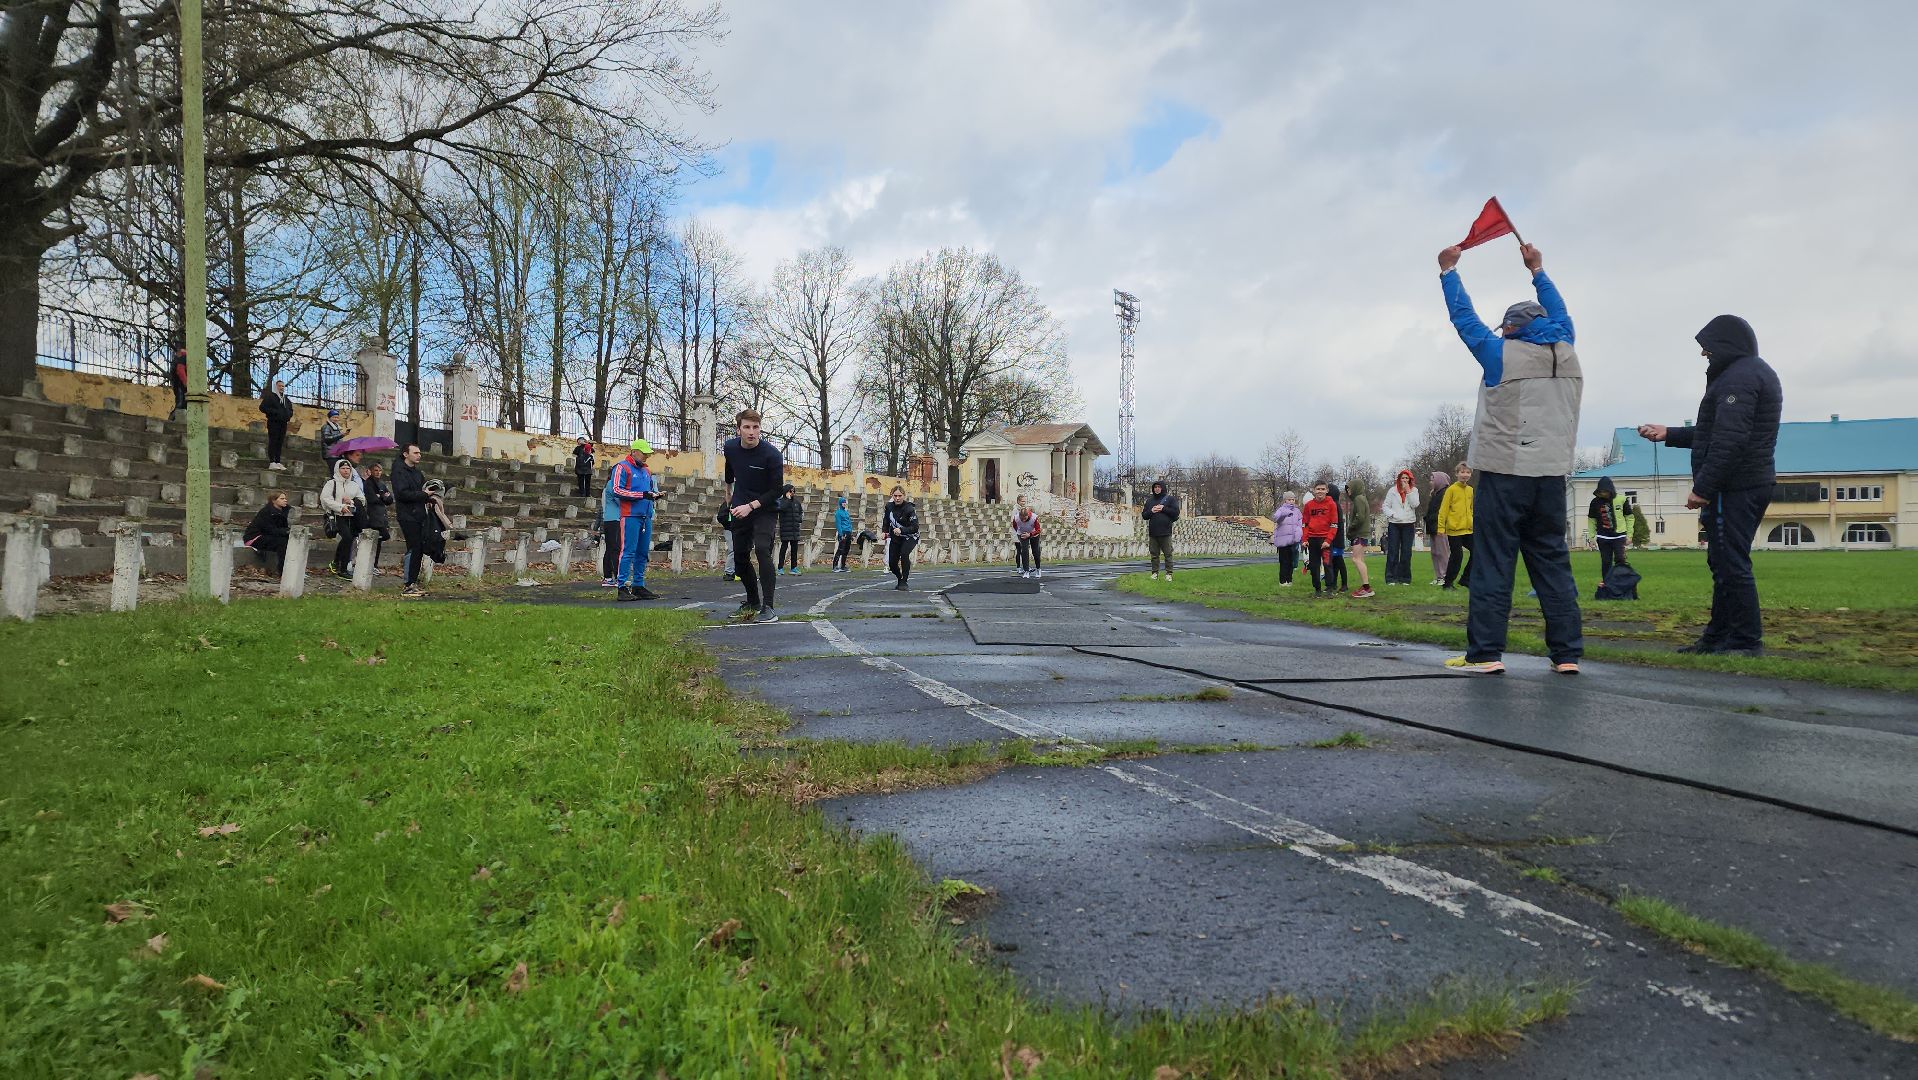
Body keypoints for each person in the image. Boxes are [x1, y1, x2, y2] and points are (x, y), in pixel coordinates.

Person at [1436, 240, 1584, 675]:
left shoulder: (1500, 353)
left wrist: (1448, 273)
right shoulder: (1568, 348)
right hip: (1552, 476)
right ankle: (1567, 655)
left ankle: (1485, 654)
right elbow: (1561, 314)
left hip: (1504, 473)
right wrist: (1538, 270)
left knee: (1493, 564)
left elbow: (1464, 320)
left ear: (1511, 330)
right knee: (1553, 565)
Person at [1636, 315, 1783, 656]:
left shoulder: (1739, 379)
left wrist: (1703, 487)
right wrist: (1669, 434)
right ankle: (1717, 638)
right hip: (1745, 482)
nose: (1704, 355)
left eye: (1707, 348)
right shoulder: (1747, 374)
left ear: (1725, 344)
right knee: (1723, 563)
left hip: (1736, 486)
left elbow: (1730, 441)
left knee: (1731, 563)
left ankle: (1746, 641)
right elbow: (1716, 434)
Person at [723, 409, 784, 622]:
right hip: (740, 506)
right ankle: (752, 601)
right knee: (739, 556)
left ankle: (769, 607)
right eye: (747, 427)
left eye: (755, 427)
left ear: (760, 429)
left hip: (765, 507)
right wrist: (728, 494)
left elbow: (777, 490)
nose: (751, 432)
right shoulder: (730, 447)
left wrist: (751, 506)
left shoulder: (772, 455)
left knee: (762, 549)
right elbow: (729, 471)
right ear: (738, 429)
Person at [610, 439, 661, 601]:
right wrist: (641, 495)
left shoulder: (647, 471)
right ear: (634, 452)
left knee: (642, 552)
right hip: (630, 515)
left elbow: (649, 490)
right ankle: (622, 586)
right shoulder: (622, 467)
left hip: (646, 515)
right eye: (644, 453)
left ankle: (638, 584)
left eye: (647, 453)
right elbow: (616, 490)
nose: (646, 456)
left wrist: (654, 495)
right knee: (628, 551)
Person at [390, 443, 435, 597]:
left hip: (419, 514)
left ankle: (413, 582)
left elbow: (422, 490)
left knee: (419, 548)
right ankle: (409, 584)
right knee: (414, 547)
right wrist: (424, 495)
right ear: (405, 454)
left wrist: (429, 497)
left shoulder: (417, 473)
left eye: (419, 452)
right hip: (407, 515)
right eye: (415, 452)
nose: (419, 455)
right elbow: (402, 494)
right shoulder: (398, 471)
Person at [320, 458, 365, 577]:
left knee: (348, 539)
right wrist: (340, 506)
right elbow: (325, 499)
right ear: (337, 470)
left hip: (350, 516)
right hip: (337, 516)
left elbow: (362, 499)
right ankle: (342, 568)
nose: (346, 471)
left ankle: (336, 563)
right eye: (343, 468)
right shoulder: (332, 483)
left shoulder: (354, 485)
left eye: (348, 468)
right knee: (347, 537)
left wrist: (351, 501)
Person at [1586, 476, 1634, 584]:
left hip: (1619, 536)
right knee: (1606, 562)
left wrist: (1629, 535)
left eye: (1605, 491)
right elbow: (1591, 520)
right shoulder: (1594, 502)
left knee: (1620, 560)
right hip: (1603, 537)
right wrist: (1592, 537)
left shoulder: (1622, 499)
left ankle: (1622, 583)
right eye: (1601, 491)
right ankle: (1608, 585)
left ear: (1610, 489)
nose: (1604, 494)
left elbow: (1629, 517)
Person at [1438, 463, 1475, 590]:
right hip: (1454, 530)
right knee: (1457, 556)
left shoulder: (1470, 490)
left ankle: (1466, 579)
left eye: (1468, 472)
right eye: (1462, 472)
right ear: (1457, 474)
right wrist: (1441, 528)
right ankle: (1447, 584)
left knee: (1477, 552)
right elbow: (1443, 509)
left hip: (1468, 529)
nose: (1465, 475)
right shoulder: (1451, 490)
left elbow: (1471, 509)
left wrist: (1472, 522)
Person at [1381, 469, 1419, 585]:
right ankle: (1391, 577)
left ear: (1410, 480)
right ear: (1399, 479)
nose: (1404, 480)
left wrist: (1409, 492)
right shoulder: (1392, 491)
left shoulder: (1414, 490)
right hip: (1395, 524)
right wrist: (1392, 514)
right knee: (1393, 551)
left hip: (1408, 523)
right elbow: (1385, 506)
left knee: (1406, 552)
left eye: (1407, 478)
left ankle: (1405, 578)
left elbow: (1415, 504)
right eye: (1403, 478)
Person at [1301, 482, 1338, 596]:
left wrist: (1328, 540)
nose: (1320, 491)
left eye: (1322, 489)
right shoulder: (1308, 505)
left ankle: (1329, 588)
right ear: (1314, 490)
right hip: (1312, 539)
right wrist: (1304, 539)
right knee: (1314, 566)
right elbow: (1305, 524)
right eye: (1318, 489)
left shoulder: (1331, 504)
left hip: (1325, 539)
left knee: (1327, 564)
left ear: (1327, 490)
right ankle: (1317, 589)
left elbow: (1334, 524)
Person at [1141, 480, 1180, 580]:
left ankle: (1169, 574)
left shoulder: (1170, 499)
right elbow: (1144, 515)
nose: (1157, 489)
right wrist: (1151, 511)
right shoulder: (1150, 501)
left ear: (1162, 488)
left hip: (1165, 531)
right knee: (1154, 554)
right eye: (1155, 487)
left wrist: (1163, 508)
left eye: (1159, 487)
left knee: (1168, 554)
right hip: (1153, 532)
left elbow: (1175, 513)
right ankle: (1155, 573)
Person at [243, 491, 291, 573]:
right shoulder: (266, 512)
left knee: (290, 541)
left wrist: (287, 532)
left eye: (285, 499)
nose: (285, 500)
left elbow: (281, 528)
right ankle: (283, 571)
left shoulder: (284, 511)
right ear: (273, 500)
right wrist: (287, 531)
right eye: (282, 499)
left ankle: (291, 569)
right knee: (283, 543)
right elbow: (269, 530)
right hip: (255, 537)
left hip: (270, 536)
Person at [882, 485, 919, 590]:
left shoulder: (909, 508)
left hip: (910, 536)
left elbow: (915, 527)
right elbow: (886, 520)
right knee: (892, 564)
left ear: (904, 496)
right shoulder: (889, 507)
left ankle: (904, 581)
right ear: (892, 496)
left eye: (900, 496)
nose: (897, 498)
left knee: (904, 554)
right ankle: (900, 578)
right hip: (896, 537)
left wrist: (902, 530)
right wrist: (884, 531)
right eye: (895, 496)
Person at [362, 461, 394, 574]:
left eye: (380, 470)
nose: (378, 472)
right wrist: (382, 496)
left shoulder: (381, 483)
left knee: (381, 538)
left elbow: (390, 499)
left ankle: (373, 564)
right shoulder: (368, 483)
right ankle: (370, 564)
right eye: (376, 470)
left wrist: (382, 496)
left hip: (381, 515)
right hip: (372, 515)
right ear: (371, 471)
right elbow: (372, 499)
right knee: (380, 536)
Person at [1346, 481, 1375, 598]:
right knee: (1360, 559)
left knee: (1356, 559)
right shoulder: (1361, 499)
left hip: (1359, 533)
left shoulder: (1358, 499)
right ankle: (1365, 586)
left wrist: (1351, 528)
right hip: (1362, 533)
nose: (1348, 492)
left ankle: (1367, 588)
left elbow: (1360, 517)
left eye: (1349, 489)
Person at [1270, 491, 1303, 587]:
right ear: (1285, 500)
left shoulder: (1297, 511)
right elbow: (1276, 518)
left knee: (1291, 561)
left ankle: (1289, 580)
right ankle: (1282, 580)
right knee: (1284, 561)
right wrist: (1283, 515)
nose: (1291, 501)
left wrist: (1299, 532)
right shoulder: (1282, 509)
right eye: (1289, 499)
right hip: (1283, 540)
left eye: (1293, 499)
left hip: (1293, 539)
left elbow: (1300, 522)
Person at [259, 379, 293, 471]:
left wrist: (288, 415)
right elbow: (262, 407)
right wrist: (274, 413)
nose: (281, 388)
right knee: (273, 441)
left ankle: (278, 461)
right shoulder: (270, 397)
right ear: (276, 387)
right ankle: (272, 462)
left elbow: (290, 410)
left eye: (283, 386)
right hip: (273, 422)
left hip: (283, 423)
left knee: (280, 442)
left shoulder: (286, 399)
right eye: (280, 386)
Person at [1322, 482, 1349, 596]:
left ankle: (1343, 584)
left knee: (1338, 562)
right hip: (1336, 539)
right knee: (1333, 563)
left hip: (1336, 540)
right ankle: (1333, 583)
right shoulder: (1334, 504)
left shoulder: (1334, 505)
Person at [1424, 471, 1451, 585]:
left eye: (1433, 480)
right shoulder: (1435, 494)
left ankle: (1444, 576)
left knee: (1442, 552)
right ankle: (1438, 576)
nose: (1431, 482)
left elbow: (1443, 511)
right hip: (1433, 527)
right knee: (1435, 552)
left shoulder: (1445, 493)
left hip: (1441, 528)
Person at [599, 473, 623, 587]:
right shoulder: (612, 484)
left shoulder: (609, 484)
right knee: (615, 548)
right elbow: (619, 500)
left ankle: (608, 577)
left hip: (610, 519)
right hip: (614, 519)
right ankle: (617, 576)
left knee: (610, 549)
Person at [776, 484, 805, 575]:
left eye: (793, 491)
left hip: (794, 529)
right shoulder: (781, 501)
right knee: (783, 549)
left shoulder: (796, 502)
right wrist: (787, 500)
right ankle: (780, 568)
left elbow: (800, 512)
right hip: (785, 529)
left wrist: (799, 519)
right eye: (790, 491)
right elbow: (782, 509)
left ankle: (794, 567)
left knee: (794, 550)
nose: (792, 492)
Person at [1012, 497, 1043, 579]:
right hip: (1022, 534)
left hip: (1033, 533)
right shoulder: (1016, 518)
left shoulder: (1034, 518)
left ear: (1028, 516)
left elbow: (1039, 530)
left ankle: (1038, 569)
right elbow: (1014, 526)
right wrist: (1020, 533)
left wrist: (1030, 534)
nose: (1023, 521)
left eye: (1025, 519)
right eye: (1021, 519)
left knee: (1035, 551)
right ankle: (1026, 570)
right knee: (1024, 551)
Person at [318, 409, 344, 475]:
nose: (336, 419)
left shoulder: (337, 428)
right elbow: (327, 439)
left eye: (337, 417)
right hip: (330, 454)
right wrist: (341, 435)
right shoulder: (326, 427)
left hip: (337, 454)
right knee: (333, 473)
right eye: (334, 417)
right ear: (329, 418)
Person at [832, 497, 854, 573]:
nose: (844, 504)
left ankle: (843, 566)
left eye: (845, 502)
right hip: (843, 532)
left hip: (848, 532)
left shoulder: (846, 512)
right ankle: (834, 566)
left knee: (846, 550)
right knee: (840, 550)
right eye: (843, 502)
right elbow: (838, 524)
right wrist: (841, 534)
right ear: (840, 503)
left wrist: (851, 533)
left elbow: (849, 523)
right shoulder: (838, 513)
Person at [169, 348, 189, 415]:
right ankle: (175, 419)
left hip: (177, 383)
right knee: (181, 404)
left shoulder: (177, 359)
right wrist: (186, 383)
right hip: (180, 384)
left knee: (181, 402)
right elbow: (180, 370)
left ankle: (174, 418)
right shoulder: (183, 357)